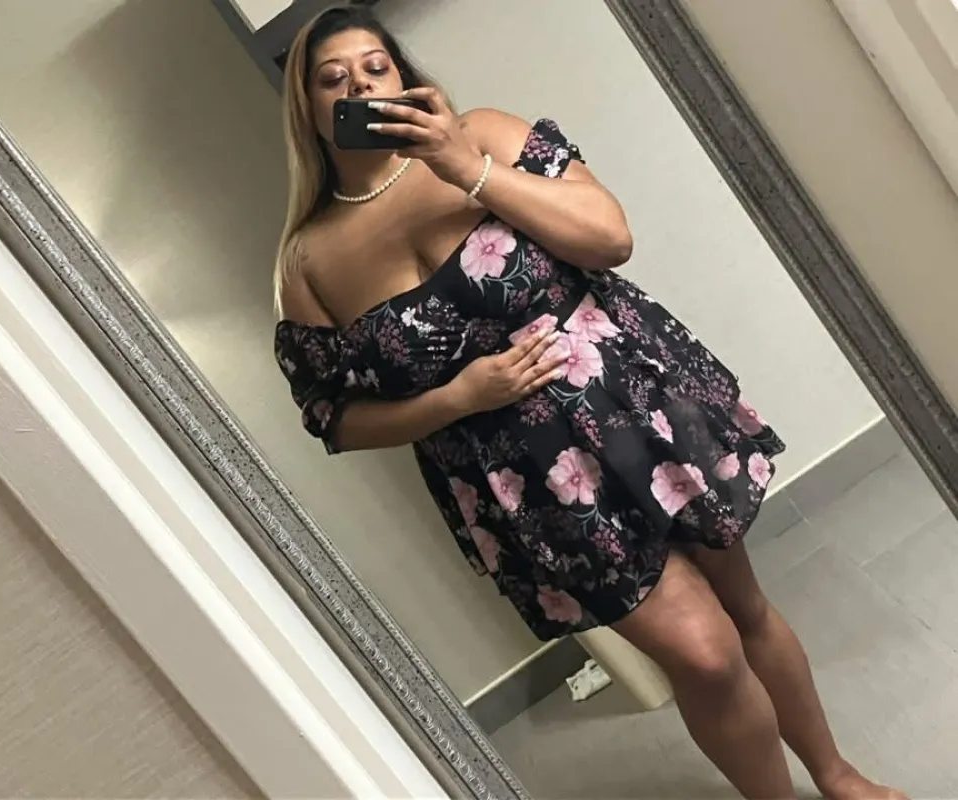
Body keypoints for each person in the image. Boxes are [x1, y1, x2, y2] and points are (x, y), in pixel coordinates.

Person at [272, 5, 905, 799]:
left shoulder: (483, 135)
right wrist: (454, 399)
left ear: (402, 74)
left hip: (632, 410)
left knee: (742, 606)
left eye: (376, 67)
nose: (361, 87)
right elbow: (331, 418)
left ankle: (837, 776)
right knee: (703, 654)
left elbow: (608, 238)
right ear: (306, 108)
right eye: (333, 79)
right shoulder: (310, 259)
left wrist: (465, 168)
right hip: (530, 481)